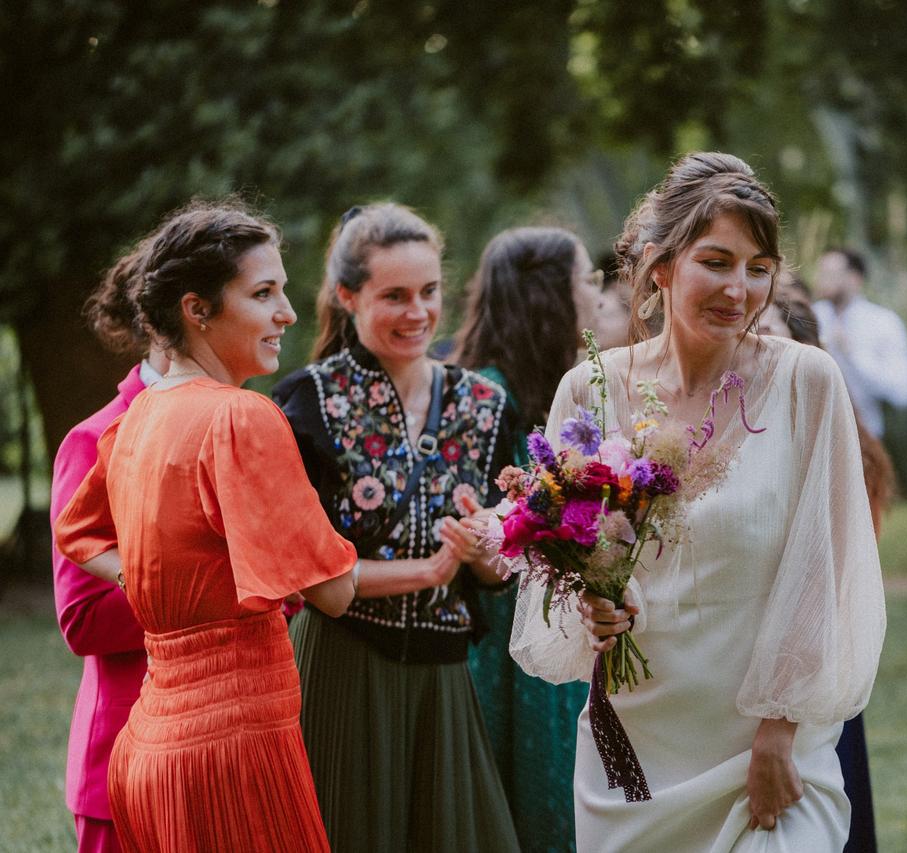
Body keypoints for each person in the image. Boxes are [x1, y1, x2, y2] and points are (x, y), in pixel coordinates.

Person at [510, 151, 886, 851]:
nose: (738, 289)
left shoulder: (808, 383)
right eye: (716, 261)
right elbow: (553, 576)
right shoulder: (589, 391)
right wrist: (594, 601)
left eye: (758, 268)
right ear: (661, 265)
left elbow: (825, 573)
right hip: (634, 758)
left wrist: (780, 733)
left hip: (765, 750)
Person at [54, 200, 456, 852]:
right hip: (234, 751)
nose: (288, 314)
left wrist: (159, 578)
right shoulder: (242, 418)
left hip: (152, 745)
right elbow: (333, 590)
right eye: (263, 293)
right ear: (198, 309)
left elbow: (79, 533)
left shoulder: (137, 419)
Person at [272, 203, 520, 853]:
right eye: (396, 296)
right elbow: (311, 573)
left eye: (430, 292)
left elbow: (502, 570)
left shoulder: (487, 405)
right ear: (348, 296)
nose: (418, 313)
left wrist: (484, 545)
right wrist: (433, 567)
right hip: (342, 663)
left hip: (443, 676)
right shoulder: (306, 403)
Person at [453, 225, 598, 850]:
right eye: (586, 281)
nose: (597, 294)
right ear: (549, 297)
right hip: (502, 649)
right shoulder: (482, 398)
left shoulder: (565, 391)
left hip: (559, 630)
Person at [759, 285, 892, 853]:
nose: (756, 350)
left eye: (771, 338)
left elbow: (838, 572)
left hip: (813, 655)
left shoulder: (841, 448)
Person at [50, 233, 166, 853]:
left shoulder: (245, 427)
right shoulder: (94, 440)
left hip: (227, 750)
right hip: (127, 756)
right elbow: (83, 620)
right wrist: (209, 591)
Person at [812, 248, 907, 439]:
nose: (823, 280)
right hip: (812, 435)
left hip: (864, 438)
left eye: (831, 274)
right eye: (821, 273)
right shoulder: (812, 317)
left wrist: (853, 356)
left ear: (854, 278)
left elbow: (905, 392)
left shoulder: (883, 322)